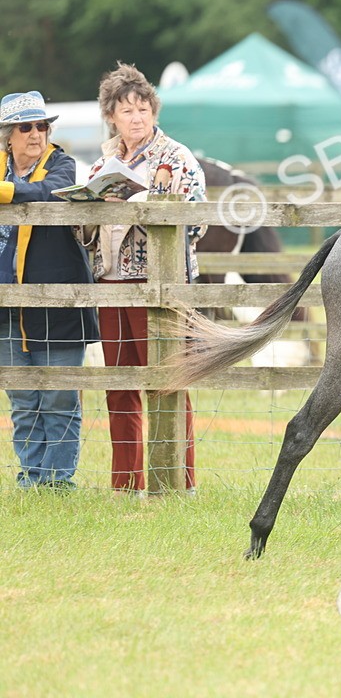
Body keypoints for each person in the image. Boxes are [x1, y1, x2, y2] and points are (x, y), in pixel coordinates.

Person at [82, 64, 207, 494]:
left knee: (166, 382)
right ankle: (126, 484)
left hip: (160, 286)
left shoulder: (176, 157)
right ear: (111, 117)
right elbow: (84, 233)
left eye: (142, 108)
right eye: (126, 110)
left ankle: (177, 481)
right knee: (119, 387)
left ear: (154, 110)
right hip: (111, 284)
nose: (136, 117)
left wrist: (142, 202)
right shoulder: (102, 162)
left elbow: (198, 219)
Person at [0, 91, 99, 490]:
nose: (37, 134)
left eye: (43, 125)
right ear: (8, 135)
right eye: (27, 127)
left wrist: (6, 193)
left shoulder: (61, 162)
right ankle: (31, 478)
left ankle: (58, 482)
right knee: (23, 401)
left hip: (58, 302)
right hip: (6, 306)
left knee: (60, 398)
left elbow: (49, 193)